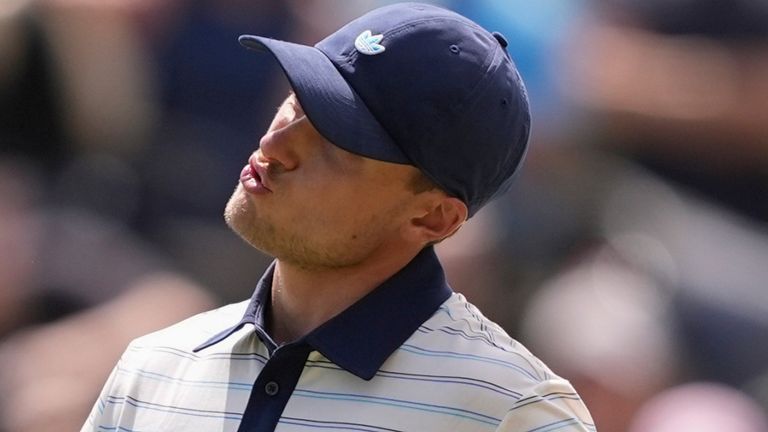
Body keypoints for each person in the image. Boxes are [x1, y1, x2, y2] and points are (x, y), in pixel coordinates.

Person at [81, 3, 594, 431]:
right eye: (294, 101)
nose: (273, 145)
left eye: (334, 141)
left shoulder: (517, 412)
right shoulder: (153, 368)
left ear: (433, 218)